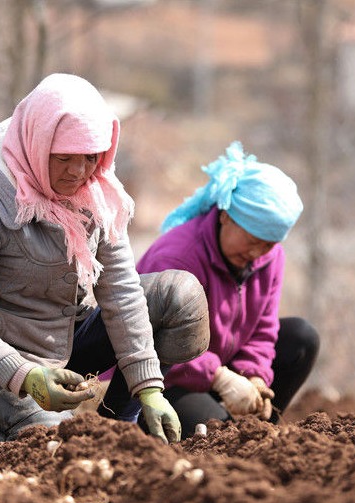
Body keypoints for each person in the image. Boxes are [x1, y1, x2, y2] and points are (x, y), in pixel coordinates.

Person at [0, 73, 210, 446]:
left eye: (90, 157)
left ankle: (120, 429)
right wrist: (24, 376)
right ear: (37, 144)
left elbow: (122, 292)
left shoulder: (96, 194)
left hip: (61, 341)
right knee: (58, 440)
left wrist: (148, 387)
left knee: (179, 297)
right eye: (63, 157)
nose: (78, 172)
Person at [135, 141, 319, 438]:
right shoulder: (178, 257)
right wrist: (218, 377)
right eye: (252, 239)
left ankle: (259, 430)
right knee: (220, 437)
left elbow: (262, 328)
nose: (258, 252)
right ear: (225, 215)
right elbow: (148, 342)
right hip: (161, 378)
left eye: (269, 244)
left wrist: (255, 377)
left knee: (301, 337)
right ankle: (235, 433)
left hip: (218, 365)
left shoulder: (268, 257)